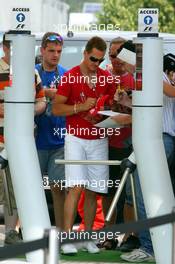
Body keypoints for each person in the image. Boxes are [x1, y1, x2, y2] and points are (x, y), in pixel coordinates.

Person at [52, 36, 116, 255]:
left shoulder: (106, 78)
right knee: (75, 187)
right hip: (76, 138)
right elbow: (56, 109)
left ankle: (87, 238)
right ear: (85, 53)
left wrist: (108, 111)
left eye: (99, 60)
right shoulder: (69, 77)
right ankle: (67, 239)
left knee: (93, 191)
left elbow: (112, 104)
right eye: (92, 59)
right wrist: (80, 107)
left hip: (99, 139)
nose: (95, 64)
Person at [116, 41, 175, 262]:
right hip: (153, 140)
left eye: (125, 61)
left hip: (160, 141)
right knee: (147, 194)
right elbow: (152, 105)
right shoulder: (146, 77)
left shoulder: (154, 75)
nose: (124, 66)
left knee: (144, 194)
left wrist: (149, 74)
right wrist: (127, 102)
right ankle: (154, 245)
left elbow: (170, 93)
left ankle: (149, 247)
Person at [0, 33, 46, 244]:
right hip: (1, 137)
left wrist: (26, 111)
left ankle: (11, 231)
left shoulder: (31, 74)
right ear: (5, 48)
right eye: (14, 49)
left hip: (21, 140)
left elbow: (42, 102)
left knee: (15, 187)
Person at [101, 37, 139, 251]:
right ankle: (109, 235)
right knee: (109, 192)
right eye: (112, 55)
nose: (116, 60)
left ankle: (129, 236)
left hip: (131, 142)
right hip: (107, 142)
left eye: (120, 55)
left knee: (130, 193)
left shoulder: (137, 78)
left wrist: (127, 110)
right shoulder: (102, 76)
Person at [35, 32, 67, 230]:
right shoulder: (32, 72)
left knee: (58, 189)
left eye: (59, 51)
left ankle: (63, 233)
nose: (55, 55)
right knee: (32, 188)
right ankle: (29, 229)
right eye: (51, 51)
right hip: (35, 140)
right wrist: (46, 92)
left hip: (59, 141)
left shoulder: (66, 74)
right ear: (42, 51)